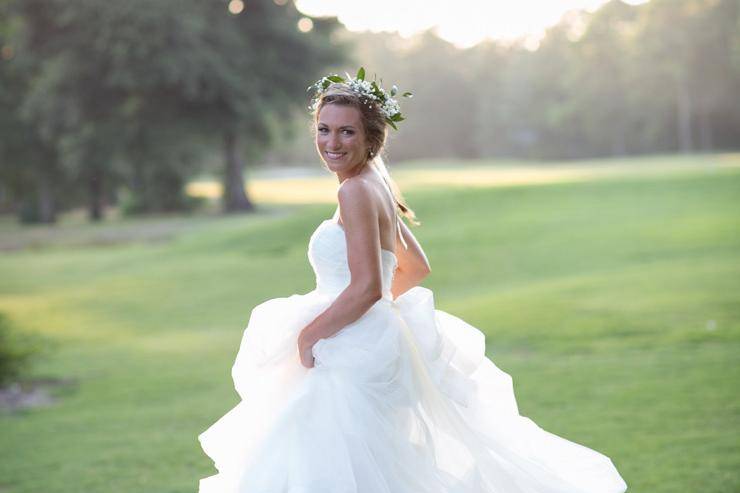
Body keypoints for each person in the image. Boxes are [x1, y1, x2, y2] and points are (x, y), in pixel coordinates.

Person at [197, 69, 628, 493]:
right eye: (324, 130)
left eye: (347, 132)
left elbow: (367, 287)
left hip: (346, 350)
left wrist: (311, 335)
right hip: (362, 339)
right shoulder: (374, 183)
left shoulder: (354, 191)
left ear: (371, 137)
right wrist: (375, 315)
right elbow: (413, 266)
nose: (332, 142)